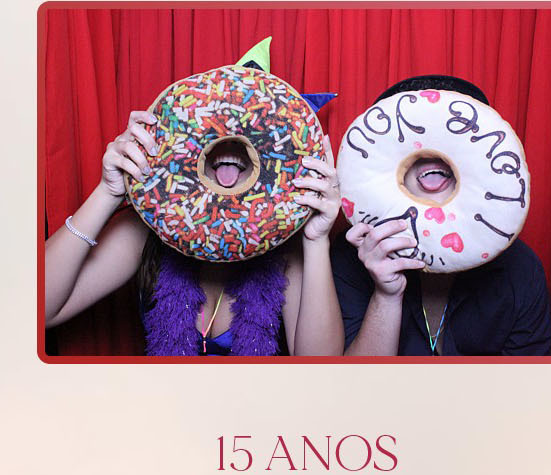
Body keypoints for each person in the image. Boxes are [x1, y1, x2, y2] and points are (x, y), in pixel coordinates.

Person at [45, 105, 344, 359]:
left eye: (247, 137)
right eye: (215, 133)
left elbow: (319, 371)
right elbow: (37, 310)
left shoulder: (285, 243)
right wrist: (107, 193)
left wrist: (316, 241)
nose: (229, 144)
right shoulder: (149, 226)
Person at [332, 75, 551, 357]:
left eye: (451, 143)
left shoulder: (520, 269)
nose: (435, 153)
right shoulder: (350, 256)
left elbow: (531, 381)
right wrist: (386, 297)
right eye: (417, 140)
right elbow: (354, 381)